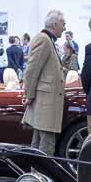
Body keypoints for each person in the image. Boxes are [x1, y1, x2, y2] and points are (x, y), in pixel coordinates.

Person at [22, 10, 67, 155]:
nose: (64, 27)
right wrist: (29, 94)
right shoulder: (44, 39)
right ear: (55, 24)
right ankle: (41, 176)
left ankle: (36, 175)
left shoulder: (47, 39)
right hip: (45, 103)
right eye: (63, 24)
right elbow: (31, 70)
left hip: (45, 102)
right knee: (45, 147)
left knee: (38, 144)